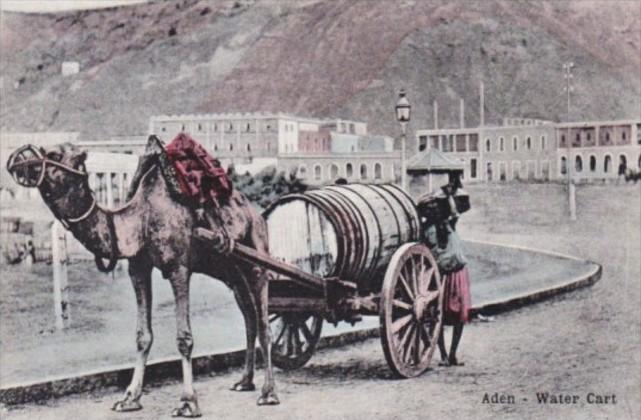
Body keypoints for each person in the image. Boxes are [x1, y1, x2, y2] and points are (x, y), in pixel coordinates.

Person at [420, 175, 471, 367]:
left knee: (458, 317)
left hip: (456, 273)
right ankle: (443, 355)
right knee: (437, 316)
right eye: (429, 210)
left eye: (435, 208)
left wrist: (449, 193)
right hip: (440, 276)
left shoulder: (449, 224)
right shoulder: (426, 230)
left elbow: (454, 213)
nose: (433, 211)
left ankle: (452, 355)